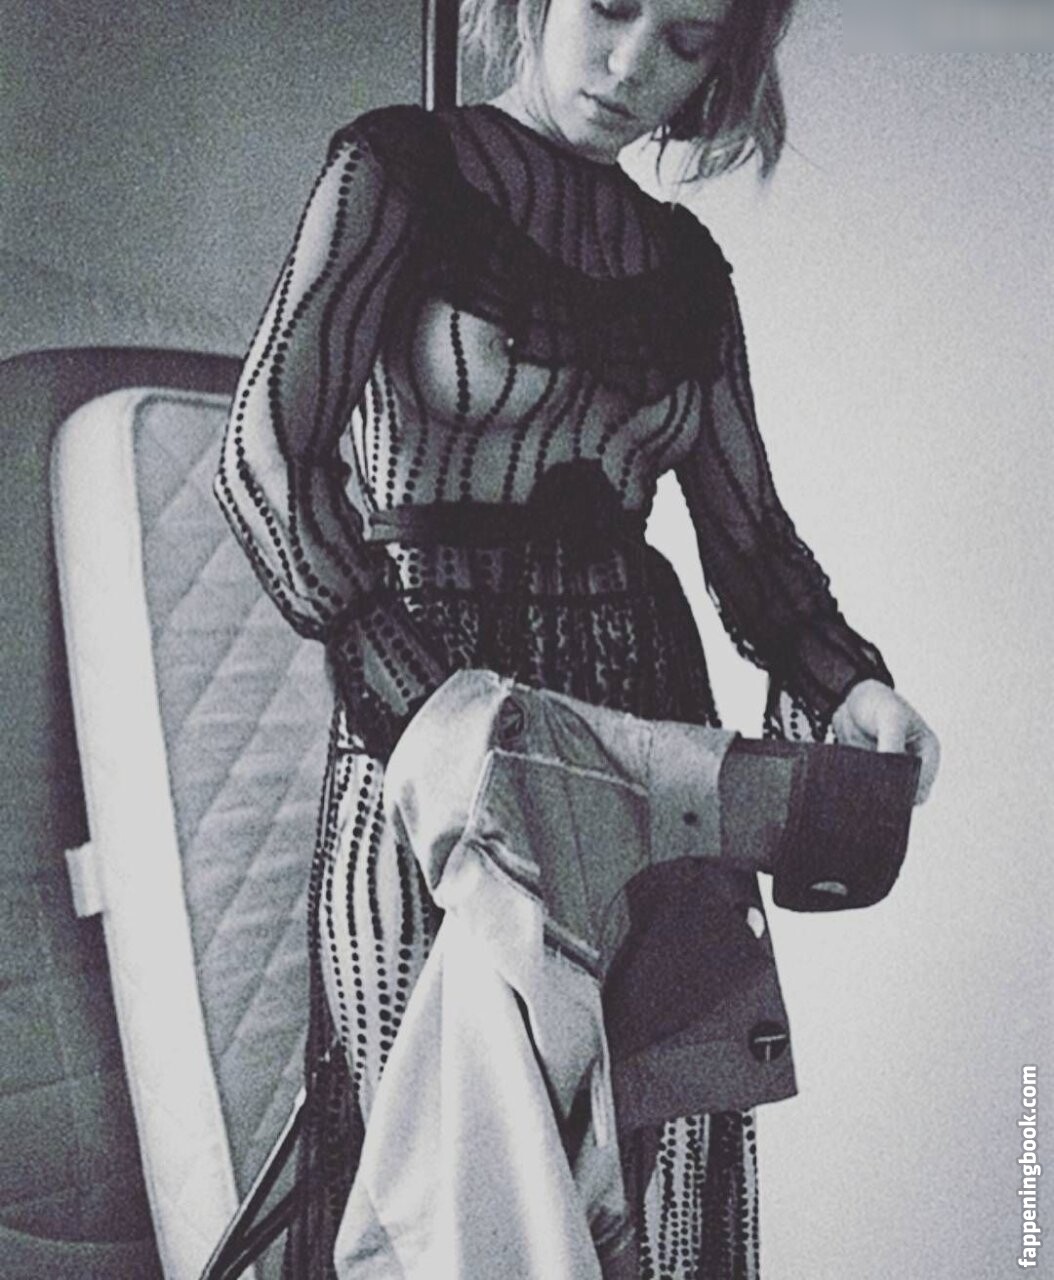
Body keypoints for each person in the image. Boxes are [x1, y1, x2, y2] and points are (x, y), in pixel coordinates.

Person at [214, 0, 941, 1274]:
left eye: (687, 39)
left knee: (633, 1169)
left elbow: (750, 542)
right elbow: (266, 459)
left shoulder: (686, 270)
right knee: (436, 1168)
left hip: (642, 741)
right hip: (437, 722)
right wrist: (427, 707)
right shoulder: (398, 171)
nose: (632, 61)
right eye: (608, 6)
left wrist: (851, 682)